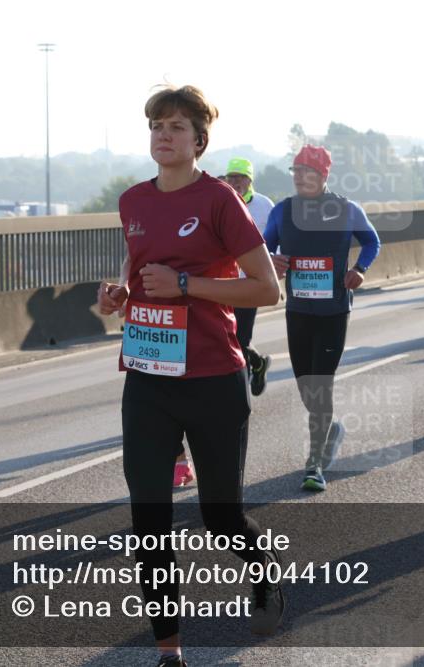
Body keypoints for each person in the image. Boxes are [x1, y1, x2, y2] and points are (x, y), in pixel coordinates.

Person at [97, 85, 284, 665]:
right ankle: (168, 651)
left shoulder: (220, 200)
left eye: (177, 126)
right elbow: (141, 275)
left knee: (220, 516)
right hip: (148, 379)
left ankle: (263, 570)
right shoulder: (132, 201)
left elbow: (265, 289)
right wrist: (122, 295)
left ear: (200, 141)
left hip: (212, 378)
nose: (163, 134)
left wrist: (186, 286)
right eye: (156, 124)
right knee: (148, 521)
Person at [265, 145, 381, 492]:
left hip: (333, 311)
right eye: (295, 170)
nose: (299, 176)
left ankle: (314, 463)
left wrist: (360, 269)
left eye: (306, 170)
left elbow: (372, 242)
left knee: (321, 383)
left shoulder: (347, 209)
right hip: (298, 309)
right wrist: (272, 259)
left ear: (324, 175)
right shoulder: (283, 211)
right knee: (305, 384)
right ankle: (330, 429)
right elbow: (261, 248)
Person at [224, 157, 275, 397]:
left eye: (240, 178)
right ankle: (258, 363)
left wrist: (275, 267)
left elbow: (277, 240)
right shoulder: (221, 203)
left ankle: (238, 396)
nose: (235, 182)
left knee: (240, 338)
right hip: (223, 283)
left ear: (249, 180)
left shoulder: (265, 206)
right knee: (226, 337)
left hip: (251, 282)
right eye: (231, 177)